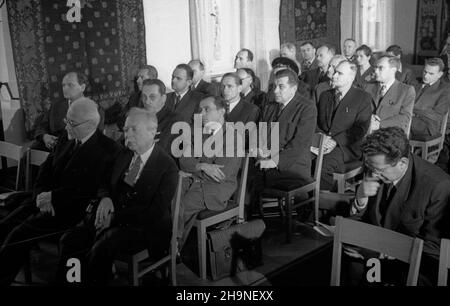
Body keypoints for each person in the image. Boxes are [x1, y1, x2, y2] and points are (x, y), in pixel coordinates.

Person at [0, 98, 121, 285]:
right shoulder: (66, 137)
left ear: (90, 125)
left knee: (20, 233)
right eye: (67, 121)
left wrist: (52, 198)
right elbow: (45, 170)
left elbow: (87, 189)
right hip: (44, 200)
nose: (66, 127)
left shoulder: (108, 150)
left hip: (70, 210)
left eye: (71, 123)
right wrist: (41, 194)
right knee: (6, 223)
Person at [57, 107, 178, 285]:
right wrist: (105, 197)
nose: (127, 134)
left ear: (152, 131)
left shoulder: (167, 166)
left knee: (101, 248)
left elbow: (154, 212)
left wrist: (114, 219)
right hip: (113, 217)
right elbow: (104, 182)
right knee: (69, 240)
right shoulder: (123, 153)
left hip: (144, 228)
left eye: (133, 129)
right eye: (126, 129)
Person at [349, 127, 450, 286]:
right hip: (377, 255)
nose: (373, 175)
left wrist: (382, 251)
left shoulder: (439, 186)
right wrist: (361, 197)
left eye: (379, 170)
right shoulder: (376, 165)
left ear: (402, 163)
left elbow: (434, 249)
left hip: (415, 264)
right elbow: (361, 221)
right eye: (371, 168)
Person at [177, 96, 242, 249]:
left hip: (214, 188)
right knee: (170, 201)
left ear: (221, 111)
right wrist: (203, 166)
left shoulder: (232, 137)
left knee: (182, 208)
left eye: (207, 109)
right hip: (192, 181)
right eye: (200, 110)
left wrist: (193, 168)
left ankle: (171, 250)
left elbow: (219, 174)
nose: (202, 113)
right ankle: (172, 249)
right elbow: (183, 161)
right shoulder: (197, 132)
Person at [252, 69, 317, 198]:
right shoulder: (269, 107)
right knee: (240, 173)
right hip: (266, 160)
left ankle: (249, 215)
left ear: (293, 89)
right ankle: (246, 216)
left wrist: (275, 161)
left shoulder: (307, 108)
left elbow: (299, 144)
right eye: (274, 86)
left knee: (250, 180)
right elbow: (261, 135)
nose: (275, 90)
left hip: (292, 166)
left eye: (281, 87)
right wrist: (259, 151)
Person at [316, 61, 372, 191]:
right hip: (322, 143)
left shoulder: (362, 97)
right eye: (334, 72)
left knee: (323, 165)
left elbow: (359, 130)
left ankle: (323, 205)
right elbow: (317, 123)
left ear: (351, 77)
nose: (333, 76)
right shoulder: (325, 95)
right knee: (304, 160)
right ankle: (309, 201)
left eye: (339, 73)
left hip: (347, 147)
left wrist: (335, 141)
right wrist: (321, 137)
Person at [33, 72, 87, 151]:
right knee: (28, 155)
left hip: (74, 151)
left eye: (70, 85)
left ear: (82, 87)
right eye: (63, 85)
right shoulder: (56, 106)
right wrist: (45, 136)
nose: (65, 88)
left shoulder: (94, 109)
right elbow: (42, 126)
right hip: (50, 148)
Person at [365, 55, 415, 135]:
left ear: (393, 70)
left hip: (391, 135)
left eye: (380, 68)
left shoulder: (406, 90)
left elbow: (404, 118)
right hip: (367, 133)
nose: (376, 71)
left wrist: (379, 125)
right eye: (376, 67)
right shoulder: (368, 87)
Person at [411, 58, 450, 139]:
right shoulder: (415, 82)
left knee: (400, 122)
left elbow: (437, 115)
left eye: (431, 73)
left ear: (440, 74)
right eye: (425, 71)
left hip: (428, 125)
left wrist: (413, 111)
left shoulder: (445, 89)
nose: (426, 76)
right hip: (410, 120)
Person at [140, 79, 182, 155]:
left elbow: (161, 151)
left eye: (152, 97)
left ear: (163, 98)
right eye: (144, 96)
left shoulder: (174, 120)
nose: (146, 101)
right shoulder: (139, 116)